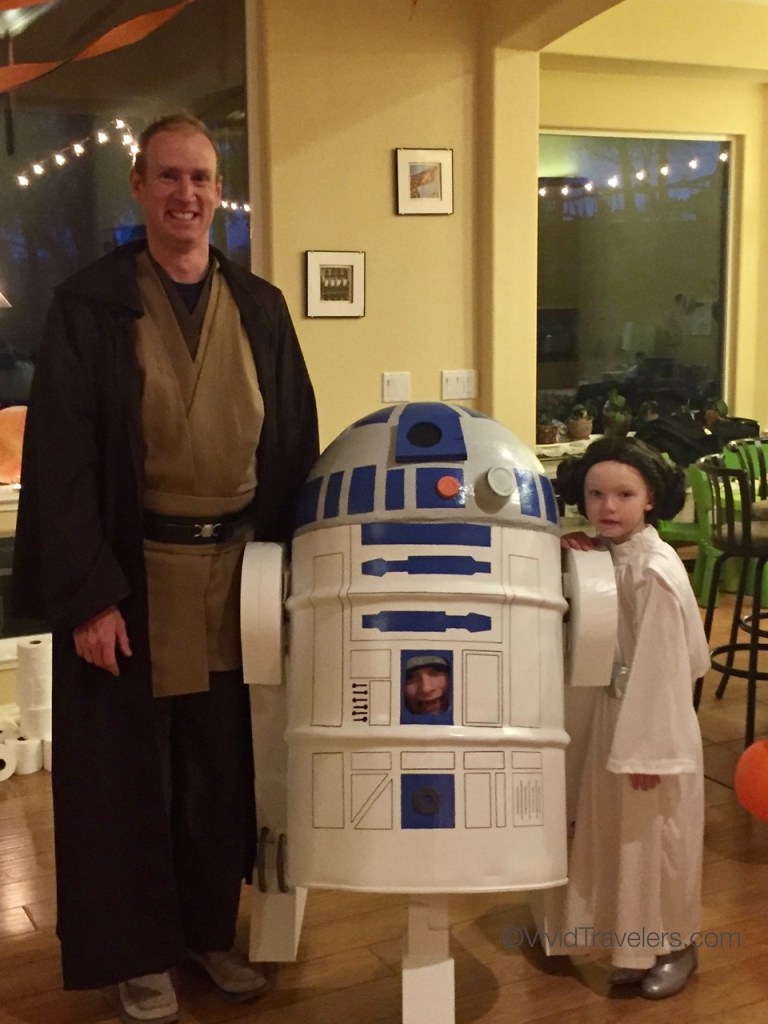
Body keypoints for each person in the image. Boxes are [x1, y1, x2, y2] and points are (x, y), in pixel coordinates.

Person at [10, 112, 318, 1024]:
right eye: (170, 177)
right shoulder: (92, 304)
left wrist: (290, 577)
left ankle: (206, 934)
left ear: (219, 193)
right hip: (132, 579)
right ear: (140, 185)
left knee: (219, 775)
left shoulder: (260, 306)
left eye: (202, 179)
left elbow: (294, 444)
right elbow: (61, 458)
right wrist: (89, 597)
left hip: (236, 579)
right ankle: (136, 955)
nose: (188, 194)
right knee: (131, 784)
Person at [556, 436, 710, 999]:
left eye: (624, 495)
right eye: (596, 494)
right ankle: (633, 945)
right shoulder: (610, 553)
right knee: (619, 837)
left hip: (650, 724)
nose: (608, 507)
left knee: (656, 839)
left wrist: (649, 748)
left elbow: (667, 667)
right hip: (615, 710)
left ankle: (676, 945)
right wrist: (575, 553)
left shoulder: (656, 569)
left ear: (650, 499)